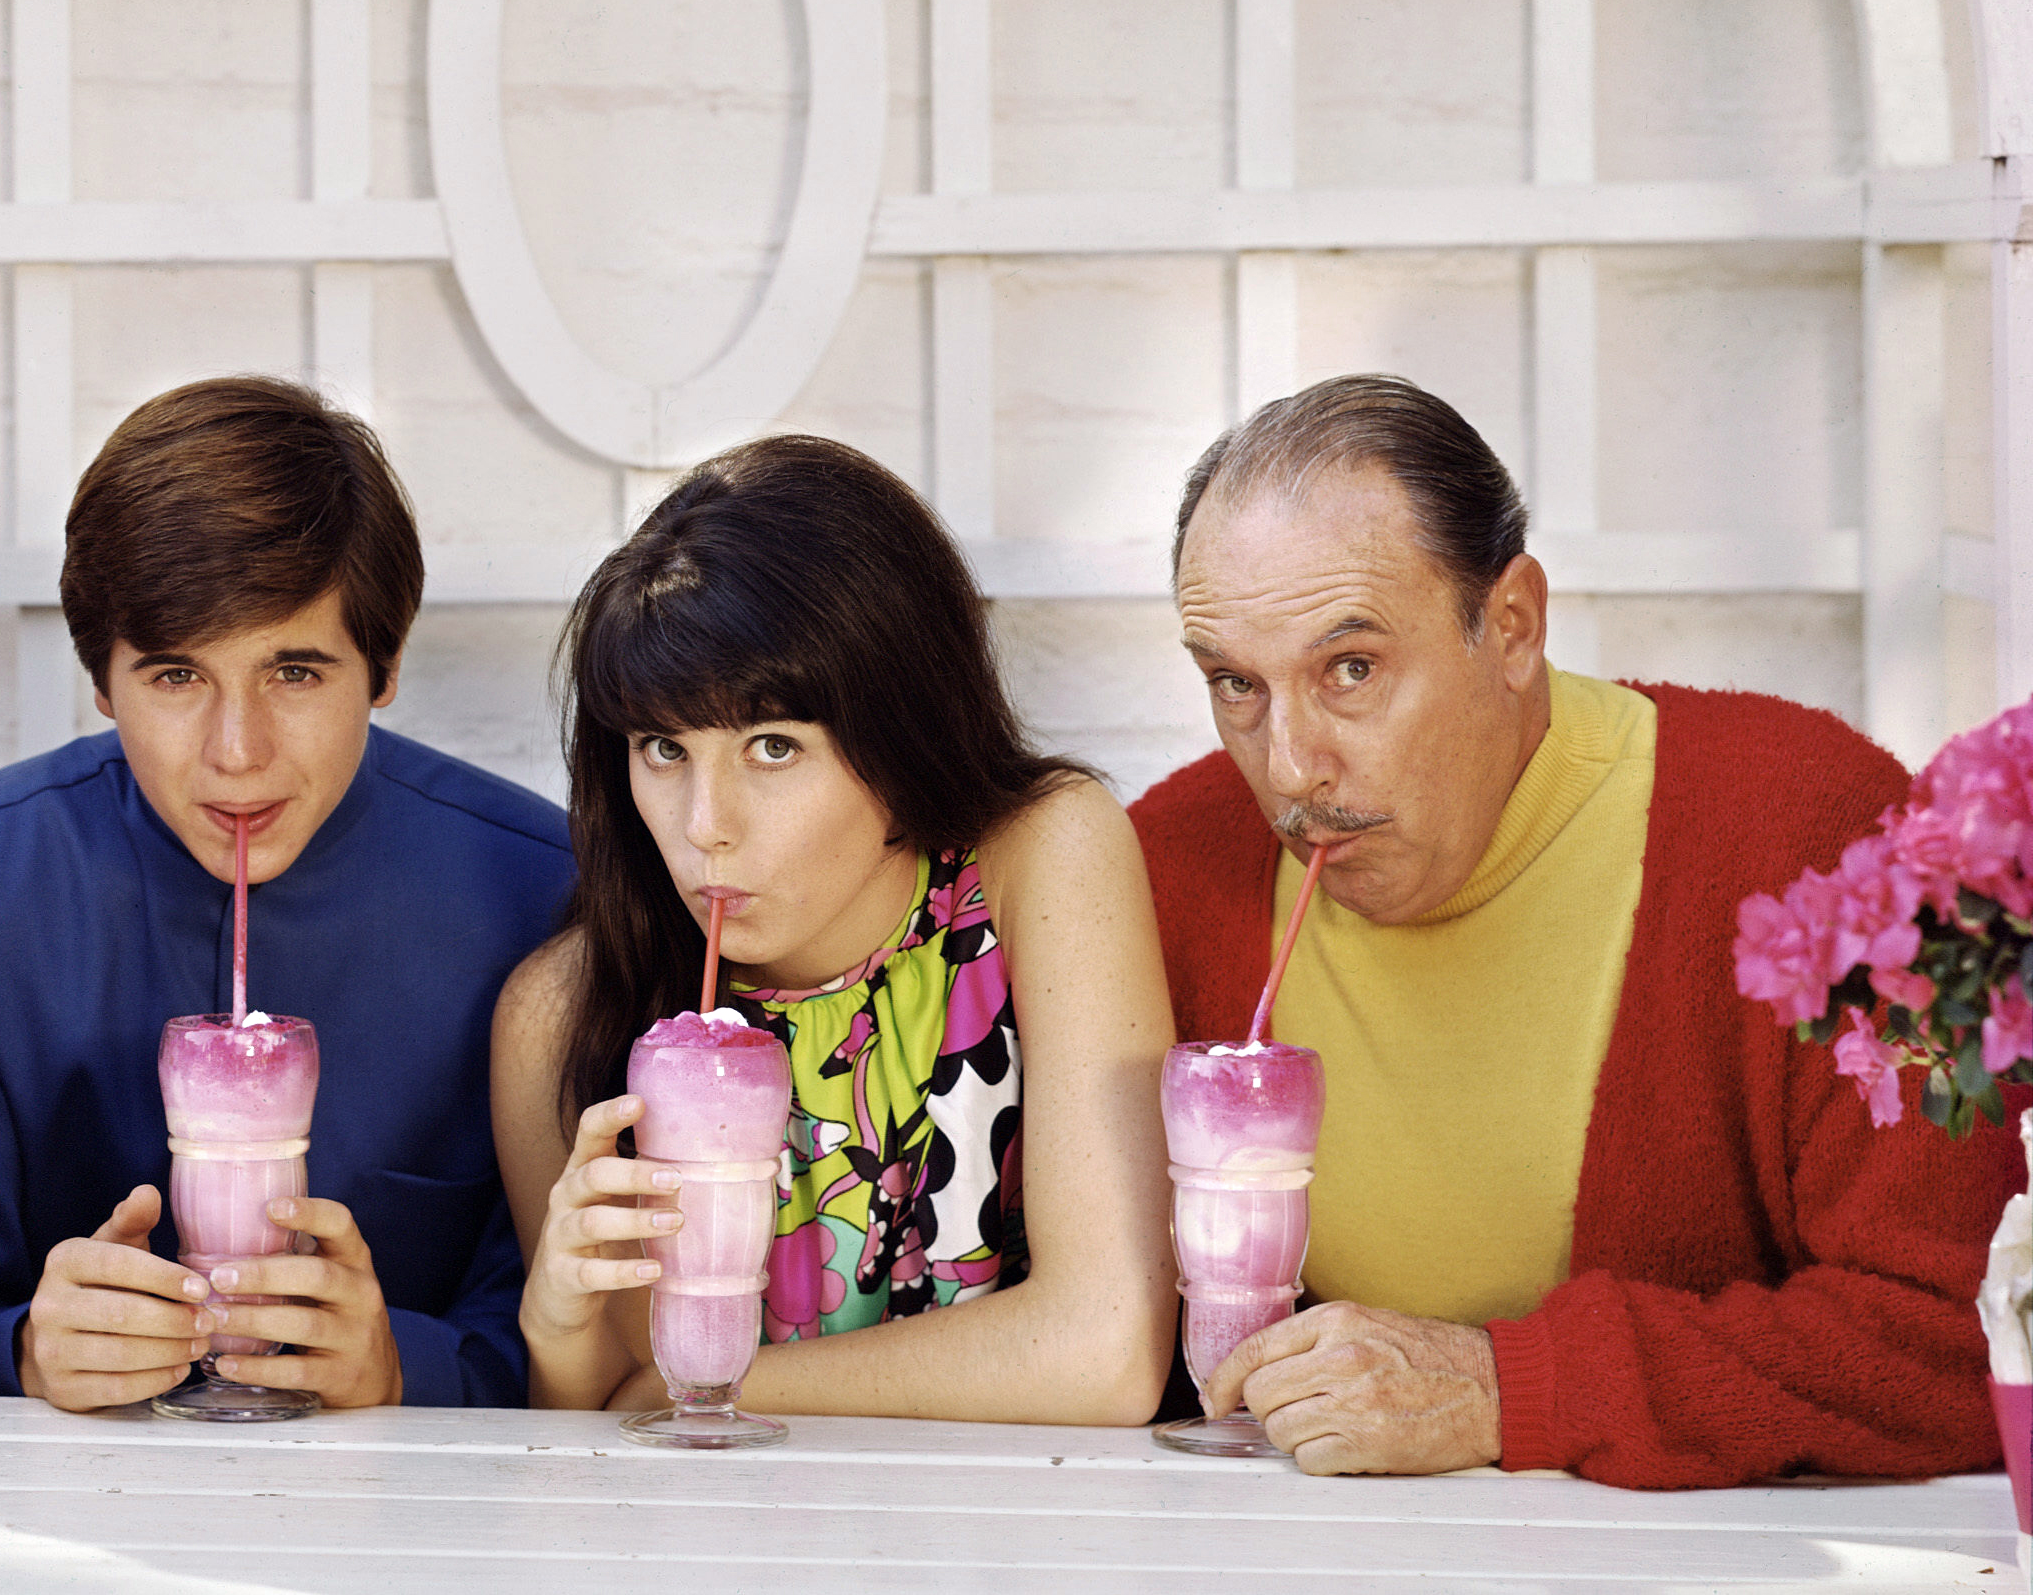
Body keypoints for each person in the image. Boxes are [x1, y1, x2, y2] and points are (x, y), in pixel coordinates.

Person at [1136, 372, 2019, 1487]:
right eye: (1235, 684)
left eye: (1350, 669)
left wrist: (1512, 1385)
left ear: (1512, 625)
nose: (1289, 766)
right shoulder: (1171, 865)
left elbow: (1972, 1332)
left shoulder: (1825, 833)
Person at [0, 376, 572, 1410]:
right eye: (175, 676)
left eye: (295, 672)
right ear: (101, 682)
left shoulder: (539, 890)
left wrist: (403, 1363)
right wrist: (23, 1349)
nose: (238, 753)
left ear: (385, 664)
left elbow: (583, 1349)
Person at [492, 435, 1178, 1422]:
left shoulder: (1039, 859)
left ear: (899, 730)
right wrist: (559, 1339)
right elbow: (596, 1442)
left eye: (773, 744)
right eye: (662, 746)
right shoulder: (560, 1016)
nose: (703, 823)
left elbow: (1104, 1354)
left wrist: (698, 1388)